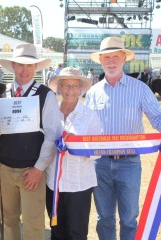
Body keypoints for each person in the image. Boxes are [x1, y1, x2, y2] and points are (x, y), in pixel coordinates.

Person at [0, 43, 62, 240]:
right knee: (8, 221)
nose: (24, 70)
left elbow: (53, 134)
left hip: (31, 170)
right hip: (4, 169)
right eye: (20, 65)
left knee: (34, 225)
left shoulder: (45, 95)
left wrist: (39, 168)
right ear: (13, 66)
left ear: (35, 67)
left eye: (29, 65)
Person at [85, 36, 161, 240]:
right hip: (100, 164)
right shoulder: (92, 93)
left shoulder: (140, 89)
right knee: (103, 218)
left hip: (129, 164)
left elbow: (157, 118)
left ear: (124, 59)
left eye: (115, 56)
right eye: (106, 57)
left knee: (129, 218)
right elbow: (84, 128)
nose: (111, 61)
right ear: (100, 61)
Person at [46, 67, 102, 240]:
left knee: (76, 233)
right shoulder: (49, 113)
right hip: (53, 184)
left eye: (74, 86)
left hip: (79, 185)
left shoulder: (90, 116)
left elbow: (98, 150)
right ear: (60, 88)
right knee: (56, 231)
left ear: (80, 89)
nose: (70, 90)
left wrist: (77, 145)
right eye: (66, 85)